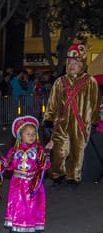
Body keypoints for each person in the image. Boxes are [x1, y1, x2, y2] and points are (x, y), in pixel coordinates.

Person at [43, 42, 100, 190]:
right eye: (70, 61)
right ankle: (57, 177)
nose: (72, 64)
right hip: (60, 123)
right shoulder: (59, 82)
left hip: (81, 124)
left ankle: (73, 179)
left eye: (76, 62)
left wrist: (94, 121)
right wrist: (48, 120)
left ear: (82, 63)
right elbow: (52, 103)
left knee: (76, 152)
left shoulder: (90, 82)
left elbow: (95, 103)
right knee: (58, 152)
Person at [0, 116, 53, 233]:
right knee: (17, 207)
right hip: (17, 185)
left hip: (33, 184)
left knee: (32, 207)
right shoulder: (14, 150)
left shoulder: (39, 150)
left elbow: (45, 165)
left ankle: (33, 232)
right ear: (20, 136)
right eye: (28, 134)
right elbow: (8, 165)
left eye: (33, 134)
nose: (31, 136)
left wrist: (47, 151)